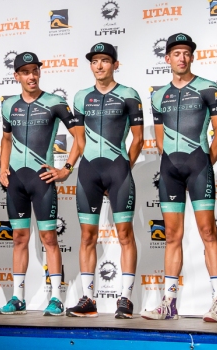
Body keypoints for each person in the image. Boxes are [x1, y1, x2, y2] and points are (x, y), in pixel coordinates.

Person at [142, 33, 217, 323]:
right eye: (176, 53)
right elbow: (159, 140)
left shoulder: (208, 88)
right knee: (172, 236)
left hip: (198, 167)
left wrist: (203, 164)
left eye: (186, 53)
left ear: (192, 57)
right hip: (170, 171)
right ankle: (169, 302)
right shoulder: (156, 95)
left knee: (208, 233)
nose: (182, 57)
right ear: (167, 59)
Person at [0, 52, 81, 317]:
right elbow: (6, 139)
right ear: (17, 76)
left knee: (49, 239)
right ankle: (17, 298)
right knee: (19, 238)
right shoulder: (8, 104)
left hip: (42, 179)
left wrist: (66, 169)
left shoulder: (55, 102)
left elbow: (80, 137)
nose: (31, 76)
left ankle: (56, 297)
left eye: (35, 71)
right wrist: (2, 166)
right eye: (25, 72)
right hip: (17, 181)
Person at [68, 43, 144, 319]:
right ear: (91, 65)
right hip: (88, 171)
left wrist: (124, 166)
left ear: (115, 64)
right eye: (95, 61)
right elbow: (78, 140)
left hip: (117, 171)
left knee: (125, 235)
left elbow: (138, 139)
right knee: (87, 236)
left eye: (105, 60)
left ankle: (125, 298)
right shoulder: (80, 98)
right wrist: (68, 165)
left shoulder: (128, 95)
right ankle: (88, 298)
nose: (99, 65)